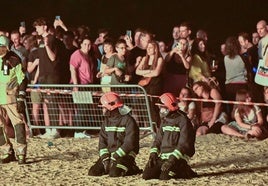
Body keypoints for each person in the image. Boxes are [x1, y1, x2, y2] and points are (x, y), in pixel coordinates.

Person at [142, 93, 196, 180]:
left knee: (165, 177)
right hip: (163, 157)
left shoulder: (183, 121)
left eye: (162, 107)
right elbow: (158, 140)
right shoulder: (165, 120)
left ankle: (184, 170)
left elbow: (183, 145)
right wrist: (153, 154)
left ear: (169, 107)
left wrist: (172, 160)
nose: (160, 110)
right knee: (147, 175)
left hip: (178, 158)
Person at [88, 92, 141, 177]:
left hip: (125, 155)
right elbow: (102, 141)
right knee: (93, 172)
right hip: (110, 155)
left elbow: (129, 144)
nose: (102, 110)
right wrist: (105, 157)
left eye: (104, 108)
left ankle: (132, 167)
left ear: (110, 107)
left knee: (114, 173)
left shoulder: (128, 121)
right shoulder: (106, 121)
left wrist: (116, 156)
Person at [0, 35, 28, 164]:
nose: (1, 50)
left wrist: (21, 97)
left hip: (11, 97)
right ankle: (6, 150)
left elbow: (22, 79)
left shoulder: (14, 60)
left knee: (18, 124)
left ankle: (21, 151)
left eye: (3, 48)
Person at [33, 17, 61, 139]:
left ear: (44, 26)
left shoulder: (51, 39)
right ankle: (49, 130)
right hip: (43, 76)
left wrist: (47, 46)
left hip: (51, 76)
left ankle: (56, 130)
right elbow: (40, 62)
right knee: (47, 103)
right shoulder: (40, 42)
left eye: (38, 27)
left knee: (53, 102)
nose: (36, 29)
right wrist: (36, 78)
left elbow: (53, 58)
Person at [70, 36, 97, 138]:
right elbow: (73, 69)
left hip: (88, 84)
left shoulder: (89, 55)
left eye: (89, 44)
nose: (87, 46)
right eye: (85, 44)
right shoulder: (77, 54)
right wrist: (76, 85)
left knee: (86, 108)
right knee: (81, 108)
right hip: (81, 84)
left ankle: (83, 129)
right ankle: (78, 131)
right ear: (81, 44)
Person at [135, 40, 164, 127]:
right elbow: (137, 71)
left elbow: (156, 73)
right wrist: (150, 71)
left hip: (155, 84)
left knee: (152, 106)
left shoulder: (159, 59)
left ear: (155, 49)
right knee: (142, 104)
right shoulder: (144, 59)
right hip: (145, 85)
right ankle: (146, 125)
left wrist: (144, 73)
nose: (149, 49)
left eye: (151, 47)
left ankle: (155, 126)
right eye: (147, 47)